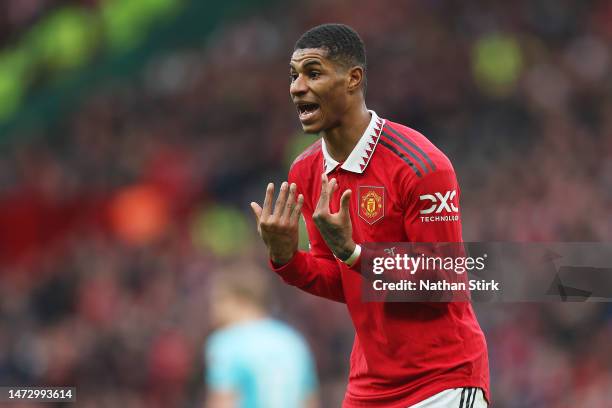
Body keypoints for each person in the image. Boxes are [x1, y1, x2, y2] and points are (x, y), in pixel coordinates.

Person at [250, 24, 490, 407]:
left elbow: (443, 284)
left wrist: (355, 254)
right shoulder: (306, 172)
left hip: (441, 381)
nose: (297, 87)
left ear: (353, 79)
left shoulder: (421, 165)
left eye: (313, 73)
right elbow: (340, 280)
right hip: (370, 388)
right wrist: (287, 259)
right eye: (293, 76)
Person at [205, 264, 319, 408]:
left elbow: (223, 401)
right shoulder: (292, 340)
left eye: (219, 300)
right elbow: (309, 401)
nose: (213, 308)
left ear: (241, 301)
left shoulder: (228, 342)